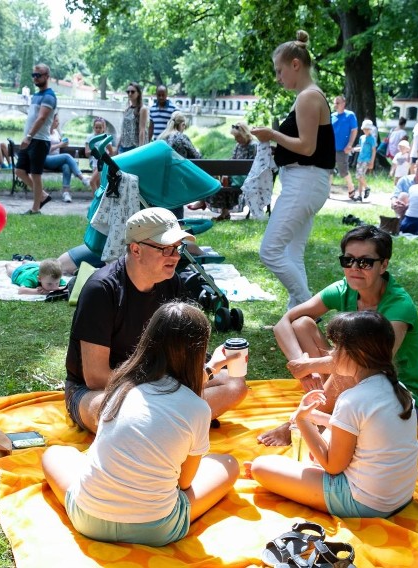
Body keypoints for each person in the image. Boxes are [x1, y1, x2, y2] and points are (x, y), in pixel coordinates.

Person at [44, 302, 240, 546]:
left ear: (148, 340)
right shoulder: (198, 408)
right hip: (157, 529)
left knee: (54, 454)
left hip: (87, 519)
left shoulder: (121, 385)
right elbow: (185, 483)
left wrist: (210, 369)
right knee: (228, 464)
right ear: (199, 351)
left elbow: (170, 388)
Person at [64, 207, 248, 434]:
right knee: (109, 412)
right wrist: (161, 390)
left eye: (178, 247)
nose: (176, 256)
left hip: (160, 384)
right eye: (165, 249)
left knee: (235, 385)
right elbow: (96, 378)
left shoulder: (172, 283)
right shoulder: (101, 290)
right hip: (103, 391)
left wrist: (207, 368)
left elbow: (184, 353)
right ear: (136, 249)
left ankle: (161, 422)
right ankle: (177, 418)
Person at [258, 224, 418, 446]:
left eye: (365, 262)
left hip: (395, 398)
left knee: (354, 362)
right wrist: (300, 362)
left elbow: (368, 362)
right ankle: (325, 408)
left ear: (383, 265)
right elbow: (284, 323)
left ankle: (302, 423)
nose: (355, 268)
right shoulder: (344, 289)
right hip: (357, 383)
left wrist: (311, 366)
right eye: (348, 260)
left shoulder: (399, 307)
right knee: (302, 324)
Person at [250, 310, 418, 519]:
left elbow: (332, 466)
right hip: (400, 497)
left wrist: (303, 421)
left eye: (337, 348)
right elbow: (366, 430)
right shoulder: (398, 389)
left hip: (364, 504)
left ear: (360, 355)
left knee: (261, 466)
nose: (330, 354)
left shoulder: (352, 399)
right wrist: (319, 418)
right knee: (325, 438)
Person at [251, 31, 335, 310]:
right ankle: (299, 316)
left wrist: (272, 135)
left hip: (306, 181)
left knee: (270, 251)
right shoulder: (308, 96)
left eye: (279, 70)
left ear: (295, 64)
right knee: (292, 253)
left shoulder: (309, 97)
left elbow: (307, 147)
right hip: (305, 182)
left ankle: (308, 307)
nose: (278, 77)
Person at [189, 122, 257, 221]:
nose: (235, 139)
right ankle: (224, 212)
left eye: (237, 137)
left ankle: (205, 201)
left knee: (220, 182)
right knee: (220, 182)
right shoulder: (239, 145)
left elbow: (252, 166)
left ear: (244, 134)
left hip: (244, 179)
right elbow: (233, 160)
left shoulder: (253, 146)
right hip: (234, 177)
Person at [17, 64, 57, 215]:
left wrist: (28, 137)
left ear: (47, 76)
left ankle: (35, 208)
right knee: (20, 171)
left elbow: (41, 119)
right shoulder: (36, 95)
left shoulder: (49, 96)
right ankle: (43, 196)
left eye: (38, 75)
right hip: (30, 139)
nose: (35, 78)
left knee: (35, 174)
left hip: (39, 140)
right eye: (33, 75)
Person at [44, 114, 90, 203]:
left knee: (66, 166)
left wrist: (64, 143)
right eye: (56, 121)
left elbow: (60, 144)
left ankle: (66, 193)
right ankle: (82, 178)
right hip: (46, 159)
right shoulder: (44, 133)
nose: (58, 123)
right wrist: (59, 145)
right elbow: (45, 149)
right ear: (50, 121)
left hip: (56, 160)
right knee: (67, 156)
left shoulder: (56, 132)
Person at [330, 96, 357, 197]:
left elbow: (354, 130)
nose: (336, 105)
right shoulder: (332, 116)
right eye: (335, 103)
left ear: (343, 103)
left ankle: (351, 188)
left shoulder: (350, 115)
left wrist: (349, 144)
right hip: (331, 148)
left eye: (338, 103)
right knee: (329, 170)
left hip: (343, 148)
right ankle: (327, 192)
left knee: (343, 171)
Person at [118, 82, 148, 153]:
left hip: (135, 147)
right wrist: (117, 146)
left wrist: (140, 149)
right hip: (123, 146)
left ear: (138, 93)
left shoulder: (142, 109)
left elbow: (142, 130)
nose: (130, 94)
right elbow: (123, 130)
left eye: (132, 91)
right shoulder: (127, 109)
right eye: (128, 92)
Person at [85, 118, 115, 191]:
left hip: (103, 162)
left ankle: (96, 201)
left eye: (100, 127)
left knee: (92, 182)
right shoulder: (90, 137)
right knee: (98, 184)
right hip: (94, 163)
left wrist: (105, 157)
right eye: (96, 127)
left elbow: (111, 153)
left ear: (103, 128)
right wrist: (94, 151)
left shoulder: (105, 138)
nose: (98, 129)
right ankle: (98, 201)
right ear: (93, 127)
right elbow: (86, 153)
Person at [351, 119, 376, 202]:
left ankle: (367, 188)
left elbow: (373, 150)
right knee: (360, 177)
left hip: (366, 160)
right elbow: (361, 148)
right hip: (360, 159)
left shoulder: (371, 139)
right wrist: (354, 149)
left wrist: (372, 161)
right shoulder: (362, 138)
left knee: (359, 176)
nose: (366, 130)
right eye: (364, 129)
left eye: (367, 129)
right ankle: (360, 195)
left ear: (370, 129)